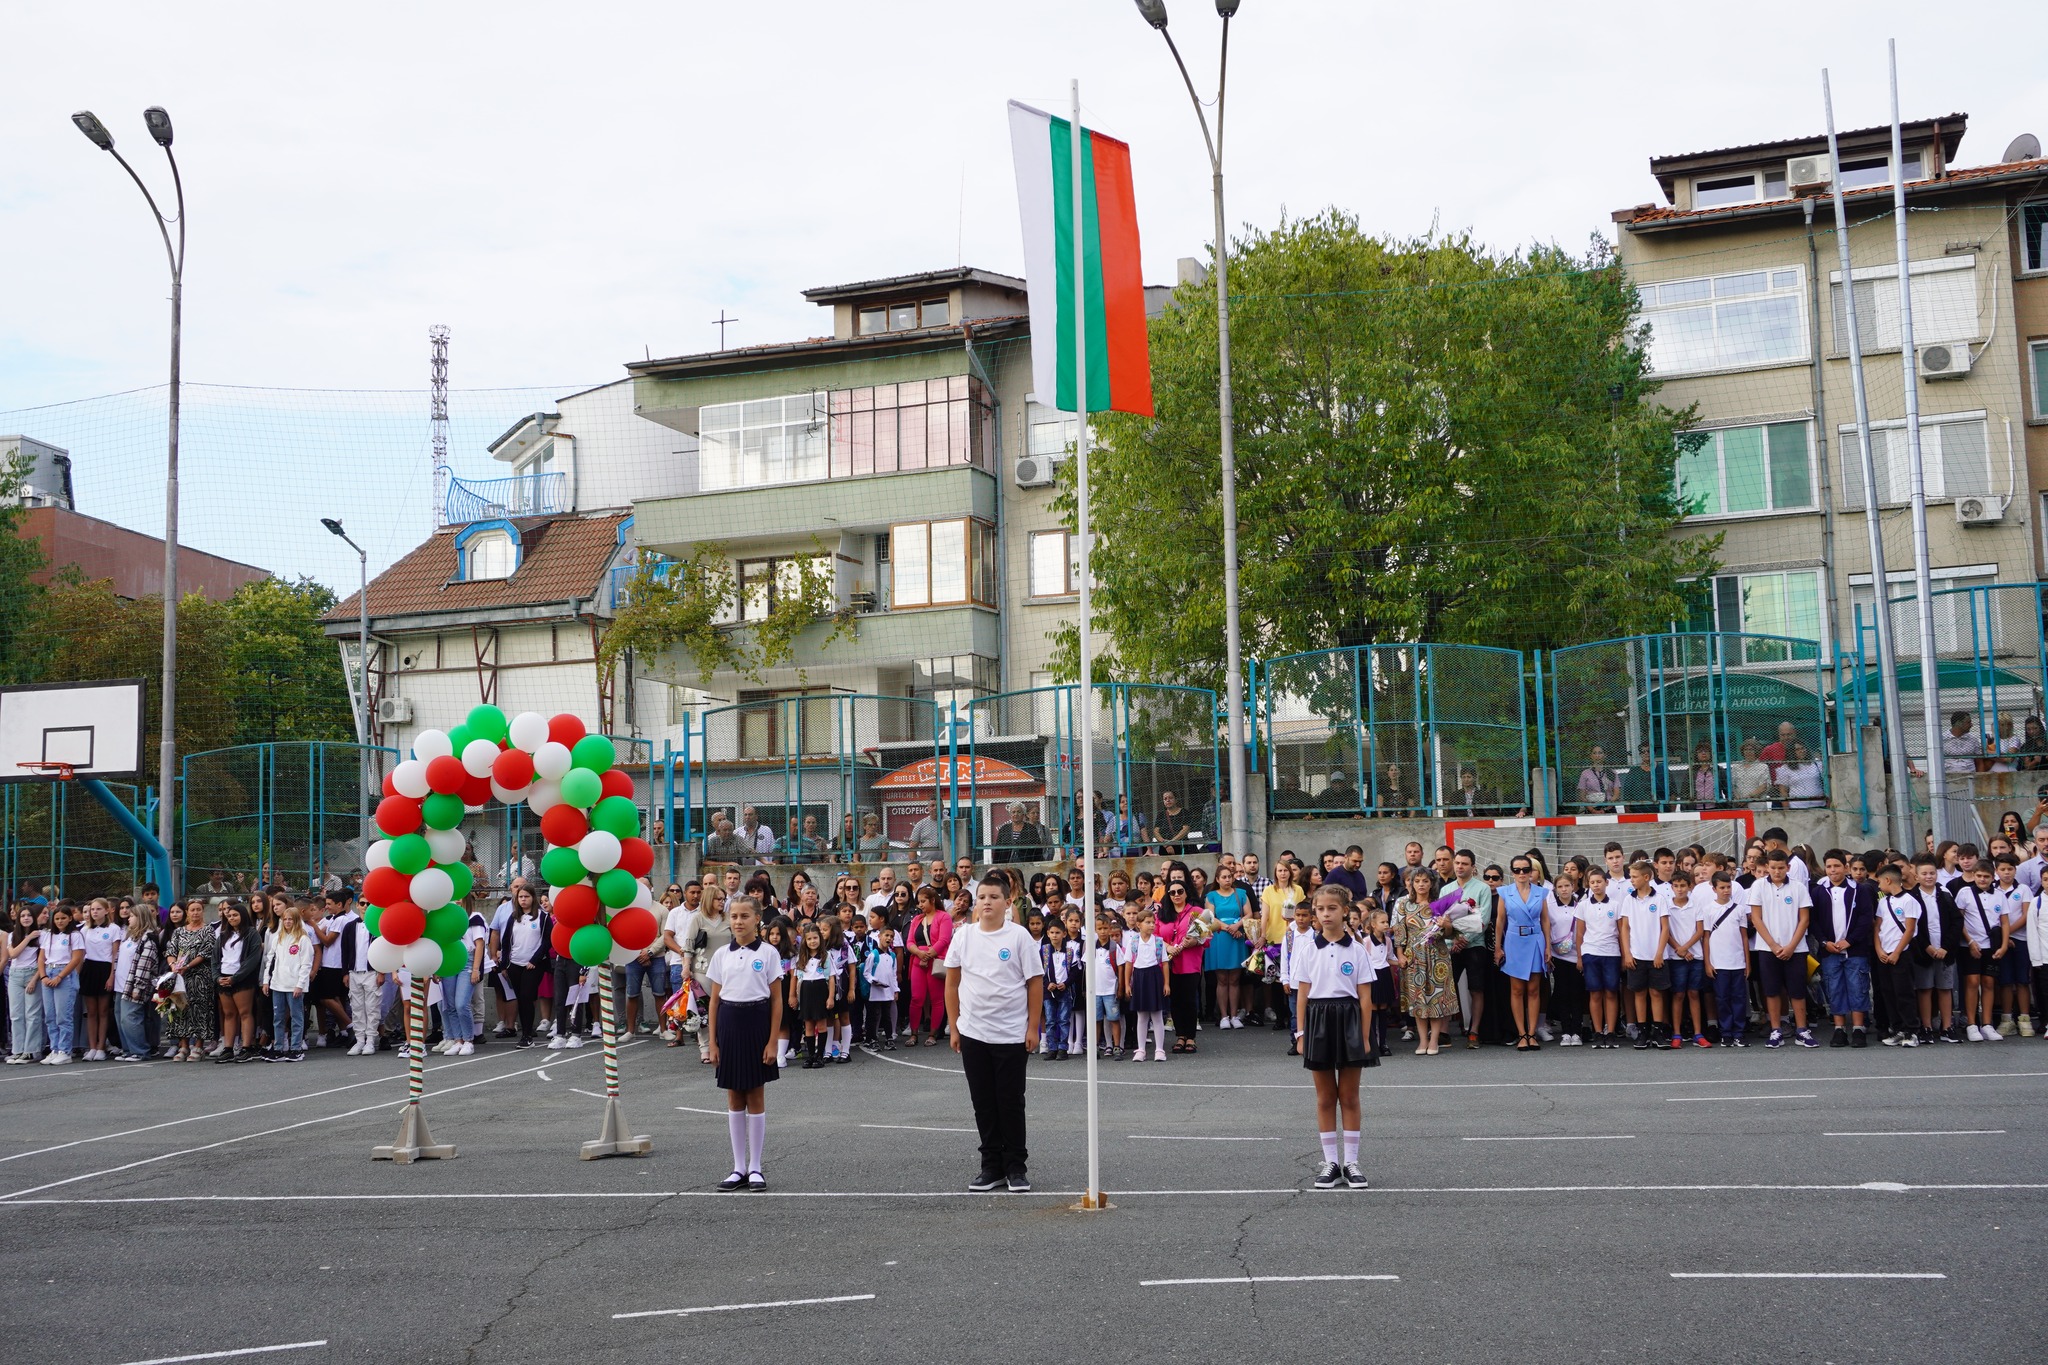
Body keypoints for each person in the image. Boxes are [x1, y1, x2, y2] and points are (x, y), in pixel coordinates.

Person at [944, 870, 1044, 1193]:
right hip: (974, 1033)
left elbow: (1034, 983)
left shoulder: (1019, 937)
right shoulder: (964, 936)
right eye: (982, 897)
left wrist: (1033, 1027)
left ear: (1008, 901)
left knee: (1010, 1102)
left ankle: (1016, 1166)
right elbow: (952, 982)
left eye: (994, 897)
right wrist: (955, 1025)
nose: (987, 902)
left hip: (1012, 1035)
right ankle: (991, 1167)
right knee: (983, 1103)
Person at [1290, 884, 1375, 1191]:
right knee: (1325, 1096)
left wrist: (1364, 1037)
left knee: (1349, 1096)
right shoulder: (1308, 949)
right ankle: (1330, 1163)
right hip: (1318, 1021)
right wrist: (1300, 1033)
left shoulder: (1357, 950)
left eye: (1332, 909)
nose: (1326, 914)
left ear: (1345, 911)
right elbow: (1302, 994)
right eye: (1321, 909)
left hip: (1350, 1020)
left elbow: (1365, 998)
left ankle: (1352, 1162)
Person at [705, 895, 784, 1192]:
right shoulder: (721, 954)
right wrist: (712, 1042)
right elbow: (714, 1001)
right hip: (729, 1024)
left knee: (755, 1095)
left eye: (744, 916)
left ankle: (755, 1168)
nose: (738, 921)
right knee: (734, 1097)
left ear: (757, 919)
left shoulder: (769, 953)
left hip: (757, 1023)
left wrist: (772, 1041)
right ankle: (738, 1167)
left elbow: (777, 1000)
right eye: (734, 916)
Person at [1747, 848, 1817, 1049]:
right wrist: (1773, 945)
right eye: (1773, 868)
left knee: (1797, 990)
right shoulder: (1758, 886)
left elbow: (1804, 919)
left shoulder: (1798, 888)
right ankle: (1776, 1029)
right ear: (1767, 867)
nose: (1777, 871)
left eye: (1781, 868)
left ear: (1787, 867)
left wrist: (1791, 946)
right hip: (1768, 949)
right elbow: (1756, 918)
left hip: (1796, 948)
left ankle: (1802, 1031)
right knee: (1771, 990)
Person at [1811, 850, 1875, 1048]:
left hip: (1855, 951)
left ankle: (1858, 1028)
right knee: (1834, 987)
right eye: (1829, 866)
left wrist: (1850, 940)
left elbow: (1866, 918)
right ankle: (1839, 1029)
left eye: (1837, 866)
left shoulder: (1859, 890)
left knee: (1858, 987)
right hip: (1829, 951)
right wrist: (1824, 942)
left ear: (1845, 868)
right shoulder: (1819, 891)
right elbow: (1814, 921)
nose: (1833, 870)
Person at [1391, 870, 1457, 1055]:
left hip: (1438, 956)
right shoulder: (1403, 903)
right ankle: (1422, 1040)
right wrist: (1400, 954)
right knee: (1418, 1000)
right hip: (1414, 956)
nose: (1421, 884)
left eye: (1425, 881)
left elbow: (1452, 933)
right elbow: (1399, 931)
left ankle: (1434, 1040)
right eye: (1417, 881)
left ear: (1431, 883)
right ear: (1411, 883)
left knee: (1435, 999)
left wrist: (1447, 925)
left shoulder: (1440, 904)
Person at [1493, 856, 1550, 1051]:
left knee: (1534, 989)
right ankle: (1521, 1034)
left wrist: (1548, 947)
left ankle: (1532, 1033)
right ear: (1512, 872)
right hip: (1514, 941)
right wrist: (1498, 947)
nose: (1522, 873)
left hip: (1535, 940)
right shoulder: (1505, 892)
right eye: (1517, 870)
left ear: (1531, 871)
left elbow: (1545, 921)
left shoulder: (1541, 892)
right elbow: (1500, 921)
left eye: (1525, 869)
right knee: (1516, 989)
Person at [1617, 861, 1669, 1051]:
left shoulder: (1659, 899)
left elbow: (1665, 928)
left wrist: (1659, 953)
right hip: (1637, 955)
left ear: (1646, 878)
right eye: (1630, 876)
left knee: (1656, 992)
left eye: (1634, 876)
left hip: (1655, 955)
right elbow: (1625, 928)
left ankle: (1657, 1031)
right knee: (1639, 993)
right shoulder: (1628, 900)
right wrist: (1627, 953)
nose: (1631, 880)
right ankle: (1642, 1031)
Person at [1873, 865, 1922, 1047]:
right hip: (1884, 954)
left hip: (1901, 953)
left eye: (1879, 882)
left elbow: (1909, 929)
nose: (1878, 886)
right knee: (1888, 992)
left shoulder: (1909, 901)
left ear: (1888, 880)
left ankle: (1912, 1030)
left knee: (1904, 993)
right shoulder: (1883, 902)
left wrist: (1896, 952)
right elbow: (1877, 927)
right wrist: (1879, 950)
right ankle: (1898, 1028)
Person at [1700, 871, 1751, 1047]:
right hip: (1718, 962)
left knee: (1739, 997)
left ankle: (1739, 1032)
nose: (1726, 890)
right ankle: (1726, 1032)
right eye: (1722, 887)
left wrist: (1747, 962)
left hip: (1737, 962)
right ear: (1714, 889)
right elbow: (1706, 938)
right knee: (1722, 998)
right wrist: (1708, 962)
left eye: (1728, 887)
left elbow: (1744, 937)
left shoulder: (1739, 909)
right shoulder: (1708, 910)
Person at [164, 901, 218, 1062]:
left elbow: (205, 952)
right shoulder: (179, 931)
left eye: (198, 910)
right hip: (180, 978)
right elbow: (171, 951)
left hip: (200, 977)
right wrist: (173, 965)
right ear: (187, 912)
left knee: (200, 1010)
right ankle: (183, 1046)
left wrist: (187, 966)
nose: (195, 913)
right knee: (181, 1009)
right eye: (192, 910)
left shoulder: (208, 930)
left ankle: (199, 1046)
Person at [259, 901, 314, 1061]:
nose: (288, 922)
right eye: (285, 919)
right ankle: (278, 1048)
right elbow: (270, 961)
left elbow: (306, 964)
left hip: (294, 985)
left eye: (291, 919)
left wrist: (300, 984)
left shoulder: (303, 939)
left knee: (296, 1017)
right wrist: (266, 981)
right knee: (278, 1017)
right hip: (278, 984)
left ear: (297, 921)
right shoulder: (278, 938)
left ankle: (296, 1048)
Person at [1203, 865, 1252, 1027]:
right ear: (1217, 879)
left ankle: (1234, 1015)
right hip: (1219, 937)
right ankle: (1224, 1016)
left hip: (1237, 936)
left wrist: (1237, 926)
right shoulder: (1211, 896)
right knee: (1222, 978)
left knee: (1236, 978)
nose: (1227, 879)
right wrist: (1229, 928)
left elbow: (1249, 914)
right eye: (1223, 877)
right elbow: (1209, 917)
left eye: (1229, 876)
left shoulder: (1241, 893)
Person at [36, 905, 84, 1065]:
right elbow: (41, 958)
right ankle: (55, 1048)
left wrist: (60, 976)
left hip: (64, 973)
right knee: (50, 1016)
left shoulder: (75, 935)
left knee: (63, 1015)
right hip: (48, 971)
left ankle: (65, 1050)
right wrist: (43, 976)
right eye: (56, 918)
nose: (60, 921)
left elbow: (76, 958)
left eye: (63, 918)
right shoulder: (48, 935)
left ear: (70, 918)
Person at [904, 886, 953, 1046]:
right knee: (916, 998)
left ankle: (932, 1034)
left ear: (933, 900)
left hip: (936, 961)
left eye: (923, 901)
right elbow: (910, 941)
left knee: (936, 999)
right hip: (919, 961)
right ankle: (914, 1033)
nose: (920, 905)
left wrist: (928, 954)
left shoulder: (944, 917)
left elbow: (944, 940)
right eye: (919, 902)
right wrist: (919, 953)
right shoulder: (917, 919)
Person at [1125, 908, 1170, 1063]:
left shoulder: (1158, 942)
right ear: (1139, 924)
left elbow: (1164, 964)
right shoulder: (1133, 941)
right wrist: (1127, 984)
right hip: (1139, 977)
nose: (1152, 925)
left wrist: (1166, 983)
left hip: (1154, 977)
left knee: (1157, 1015)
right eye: (1148, 922)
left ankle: (1159, 1049)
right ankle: (1141, 1049)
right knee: (1142, 1016)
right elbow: (1129, 964)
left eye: (1153, 922)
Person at [77, 899, 120, 1060]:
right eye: (92, 909)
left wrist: (111, 976)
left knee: (103, 1011)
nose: (94, 912)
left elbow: (115, 955)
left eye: (98, 909)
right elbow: (81, 955)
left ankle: (101, 1046)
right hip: (89, 969)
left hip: (105, 969)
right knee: (91, 1012)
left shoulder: (114, 929)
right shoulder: (85, 930)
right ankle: (92, 1047)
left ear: (107, 911)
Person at [5, 904, 44, 1063]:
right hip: (15, 975)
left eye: (29, 915)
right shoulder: (12, 935)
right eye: (22, 916)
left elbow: (42, 960)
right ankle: (17, 1049)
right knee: (16, 1015)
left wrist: (34, 980)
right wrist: (28, 937)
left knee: (32, 1015)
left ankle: (31, 1051)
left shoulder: (42, 935)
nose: (26, 918)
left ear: (33, 918)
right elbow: (13, 954)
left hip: (32, 974)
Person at [862, 924, 901, 1050]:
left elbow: (893, 975)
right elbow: (866, 972)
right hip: (875, 991)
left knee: (887, 1015)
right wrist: (874, 981)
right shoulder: (873, 955)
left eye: (891, 936)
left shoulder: (892, 956)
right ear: (879, 936)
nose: (889, 938)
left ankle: (889, 1038)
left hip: (887, 991)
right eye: (886, 935)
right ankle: (872, 1038)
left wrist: (895, 990)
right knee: (874, 1015)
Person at [1729, 739, 1773, 808]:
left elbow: (1763, 787)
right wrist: (1738, 799)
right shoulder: (1736, 766)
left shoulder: (1763, 767)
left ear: (1756, 751)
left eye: (1751, 749)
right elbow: (1732, 785)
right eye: (1746, 749)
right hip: (1739, 805)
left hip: (1756, 805)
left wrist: (1747, 799)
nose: (1748, 752)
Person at [1575, 745, 1620, 810]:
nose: (1597, 756)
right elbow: (1582, 796)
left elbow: (1617, 794)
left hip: (1609, 808)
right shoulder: (1585, 773)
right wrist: (1593, 810)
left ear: (1605, 755)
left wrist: (1607, 808)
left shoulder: (1612, 772)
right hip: (1592, 808)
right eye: (1594, 753)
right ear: (1591, 756)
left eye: (1600, 753)